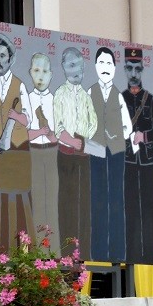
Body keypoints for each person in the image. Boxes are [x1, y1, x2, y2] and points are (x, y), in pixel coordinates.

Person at [0, 33, 34, 248]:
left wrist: (14, 117)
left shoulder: (20, 85)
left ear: (11, 59)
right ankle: (0, 250)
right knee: (0, 198)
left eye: (2, 55)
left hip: (17, 149)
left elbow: (28, 118)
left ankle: (25, 252)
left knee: (21, 200)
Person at [53, 48, 98, 256]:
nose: (77, 71)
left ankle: (85, 253)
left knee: (84, 207)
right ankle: (68, 254)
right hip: (66, 156)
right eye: (72, 66)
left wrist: (83, 139)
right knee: (68, 206)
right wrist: (73, 141)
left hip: (84, 157)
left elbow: (93, 124)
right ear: (63, 68)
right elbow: (58, 128)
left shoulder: (86, 97)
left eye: (79, 66)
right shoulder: (60, 94)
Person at [89, 46, 129, 262]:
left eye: (109, 63)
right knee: (97, 201)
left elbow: (128, 127)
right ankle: (97, 253)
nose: (105, 67)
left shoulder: (119, 96)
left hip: (116, 152)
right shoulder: (90, 92)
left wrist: (116, 135)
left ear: (115, 68)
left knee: (116, 201)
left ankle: (117, 253)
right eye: (101, 63)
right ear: (96, 66)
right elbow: (83, 122)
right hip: (95, 151)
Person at [122, 48, 153, 265]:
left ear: (142, 70)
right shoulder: (121, 98)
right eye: (130, 68)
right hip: (128, 161)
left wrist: (143, 136)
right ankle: (132, 257)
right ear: (125, 70)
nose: (134, 72)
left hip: (147, 162)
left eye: (137, 68)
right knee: (130, 211)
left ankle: (151, 257)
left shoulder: (150, 99)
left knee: (149, 210)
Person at [27, 53, 60, 249]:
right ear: (30, 73)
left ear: (51, 75)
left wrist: (50, 134)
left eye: (45, 71)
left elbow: (60, 134)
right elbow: (23, 133)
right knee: (37, 202)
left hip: (52, 153)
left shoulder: (56, 101)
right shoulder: (27, 99)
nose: (40, 76)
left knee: (52, 202)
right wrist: (41, 131)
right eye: (36, 71)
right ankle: (39, 248)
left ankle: (53, 249)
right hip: (33, 152)